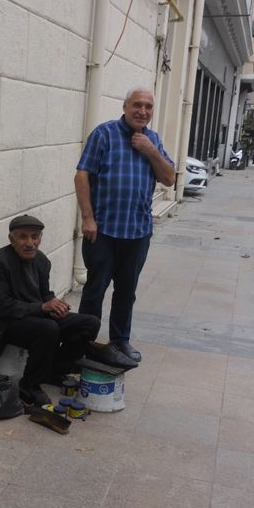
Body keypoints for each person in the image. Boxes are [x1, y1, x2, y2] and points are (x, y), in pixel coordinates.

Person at [74, 87, 175, 365]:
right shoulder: (104, 134)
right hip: (103, 231)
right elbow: (82, 175)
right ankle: (85, 342)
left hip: (137, 232)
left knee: (126, 292)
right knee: (95, 289)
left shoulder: (152, 139)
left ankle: (120, 341)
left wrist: (151, 151)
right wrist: (87, 218)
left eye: (148, 107)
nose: (143, 111)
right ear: (125, 106)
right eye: (137, 105)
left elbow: (169, 178)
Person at [0, 215, 100, 408]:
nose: (30, 243)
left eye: (35, 237)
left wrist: (54, 302)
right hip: (4, 323)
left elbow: (45, 294)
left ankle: (54, 370)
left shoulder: (41, 261)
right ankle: (29, 385)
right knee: (48, 328)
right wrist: (41, 307)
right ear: (11, 239)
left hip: (34, 315)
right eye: (23, 237)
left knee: (89, 323)